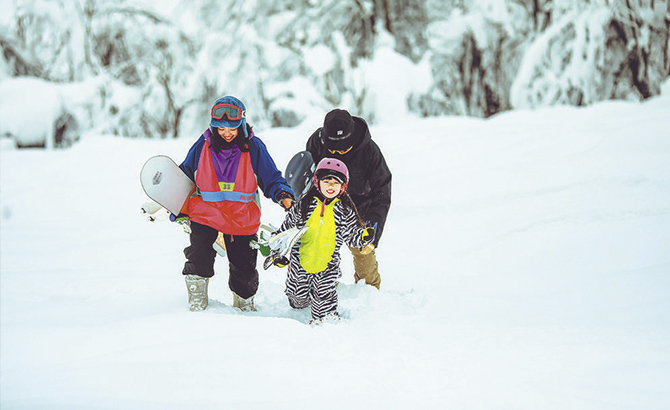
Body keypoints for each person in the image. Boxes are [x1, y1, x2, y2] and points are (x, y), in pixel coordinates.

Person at [177, 96, 294, 311]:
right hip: (206, 213)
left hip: (242, 218)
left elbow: (271, 177)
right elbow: (184, 175)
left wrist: (283, 195)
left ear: (241, 124)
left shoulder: (254, 147)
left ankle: (243, 304)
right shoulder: (202, 146)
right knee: (198, 255)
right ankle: (196, 300)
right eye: (220, 129)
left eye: (231, 128)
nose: (226, 133)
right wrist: (174, 204)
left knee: (245, 269)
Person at [275, 158, 375, 323]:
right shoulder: (304, 205)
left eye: (336, 182)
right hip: (301, 261)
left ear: (343, 186)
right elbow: (286, 230)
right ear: (317, 182)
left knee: (324, 301)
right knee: (297, 299)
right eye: (326, 181)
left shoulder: (345, 209)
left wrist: (363, 237)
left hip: (328, 264)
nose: (330, 186)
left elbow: (351, 234)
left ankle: (326, 324)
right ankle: (300, 305)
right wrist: (278, 252)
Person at [305, 109, 391, 289]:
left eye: (343, 148)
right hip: (325, 208)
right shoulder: (316, 142)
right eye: (333, 149)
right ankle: (322, 292)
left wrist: (373, 232)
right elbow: (307, 178)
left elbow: (382, 190)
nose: (338, 152)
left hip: (361, 209)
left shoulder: (369, 150)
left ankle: (369, 295)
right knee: (320, 256)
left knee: (365, 256)